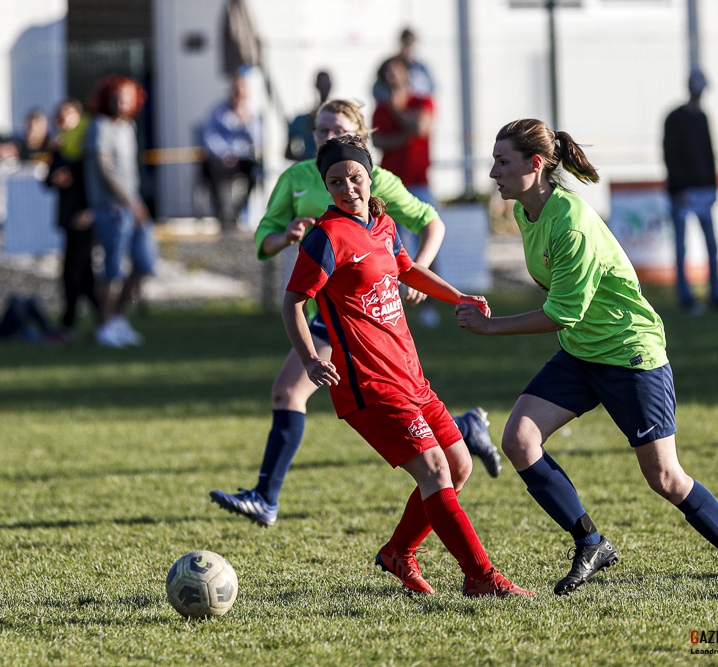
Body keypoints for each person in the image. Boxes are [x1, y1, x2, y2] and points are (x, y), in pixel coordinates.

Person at [456, 119, 718, 599]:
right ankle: (591, 543)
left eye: (502, 161)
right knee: (519, 440)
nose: (493, 173)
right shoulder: (526, 212)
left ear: (535, 164)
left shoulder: (570, 222)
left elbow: (562, 312)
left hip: (629, 354)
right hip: (582, 352)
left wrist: (490, 326)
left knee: (664, 477)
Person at [209, 99, 501, 529]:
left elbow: (431, 222)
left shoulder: (377, 179)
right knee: (299, 394)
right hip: (324, 310)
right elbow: (263, 241)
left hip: (364, 314)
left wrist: (413, 273)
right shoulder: (296, 177)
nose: (326, 137)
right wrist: (285, 235)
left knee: (329, 397)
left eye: (337, 129)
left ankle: (267, 498)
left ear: (359, 139)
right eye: (320, 129)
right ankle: (462, 429)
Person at [282, 133, 530, 597]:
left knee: (458, 465)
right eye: (335, 182)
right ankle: (481, 577)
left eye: (354, 177)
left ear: (369, 176)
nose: (347, 188)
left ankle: (398, 552)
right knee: (435, 470)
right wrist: (311, 359)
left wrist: (457, 296)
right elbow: (293, 302)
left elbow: (407, 270)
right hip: (369, 385)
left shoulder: (383, 224)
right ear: (326, 186)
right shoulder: (325, 238)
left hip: (410, 376)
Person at [84, 75, 154, 348]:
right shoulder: (99, 126)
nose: (121, 102)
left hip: (133, 206)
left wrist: (135, 202)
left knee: (145, 264)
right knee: (113, 269)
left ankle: (117, 319)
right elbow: (105, 169)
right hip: (112, 208)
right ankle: (106, 324)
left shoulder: (129, 127)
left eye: (126, 97)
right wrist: (130, 202)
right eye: (116, 96)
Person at [372, 57, 439, 327]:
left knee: (429, 241)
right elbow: (378, 140)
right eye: (387, 72)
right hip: (390, 185)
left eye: (395, 71)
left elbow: (420, 126)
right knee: (388, 244)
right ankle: (392, 305)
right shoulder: (380, 109)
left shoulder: (422, 101)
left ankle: (429, 302)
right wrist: (406, 135)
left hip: (419, 183)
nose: (391, 77)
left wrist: (397, 110)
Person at [662, 70, 718, 313]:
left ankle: (716, 294)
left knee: (712, 245)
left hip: (704, 191)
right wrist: (679, 188)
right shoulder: (674, 118)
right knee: (681, 247)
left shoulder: (703, 117)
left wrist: (714, 184)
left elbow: (708, 152)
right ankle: (685, 297)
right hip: (683, 193)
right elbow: (670, 155)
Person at [45, 99, 100, 344]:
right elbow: (47, 179)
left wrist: (90, 210)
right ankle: (107, 320)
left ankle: (69, 325)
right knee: (84, 275)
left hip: (84, 216)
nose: (63, 119)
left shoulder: (88, 142)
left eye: (68, 114)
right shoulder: (59, 145)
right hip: (69, 216)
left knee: (73, 273)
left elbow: (94, 180)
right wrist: (55, 178)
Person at [197, 74, 262, 230]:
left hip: (243, 159)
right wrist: (225, 153)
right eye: (235, 91)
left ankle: (237, 211)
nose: (237, 95)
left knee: (255, 172)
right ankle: (222, 213)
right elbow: (209, 137)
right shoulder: (218, 112)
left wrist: (246, 121)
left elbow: (258, 140)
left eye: (241, 92)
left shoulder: (252, 115)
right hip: (221, 158)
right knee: (211, 171)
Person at [372, 28, 435, 102]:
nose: (408, 47)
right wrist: (393, 97)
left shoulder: (420, 68)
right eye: (406, 42)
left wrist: (410, 96)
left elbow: (431, 89)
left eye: (410, 43)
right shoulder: (389, 65)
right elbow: (376, 91)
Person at [285, 71, 332, 162]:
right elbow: (288, 153)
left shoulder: (339, 121)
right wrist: (308, 162)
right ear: (316, 85)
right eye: (322, 84)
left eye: (326, 85)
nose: (324, 87)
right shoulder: (300, 121)